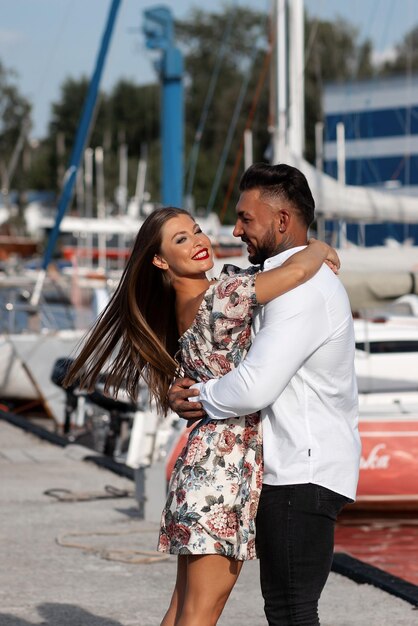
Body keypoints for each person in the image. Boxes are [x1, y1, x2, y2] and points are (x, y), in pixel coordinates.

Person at [63, 204, 340, 626]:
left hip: (198, 465)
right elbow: (297, 273)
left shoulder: (193, 301)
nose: (198, 242)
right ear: (159, 260)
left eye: (195, 231)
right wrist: (318, 246)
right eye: (180, 240)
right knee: (198, 615)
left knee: (181, 611)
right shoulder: (223, 298)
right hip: (223, 476)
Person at [169, 163, 362, 626]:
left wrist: (198, 397)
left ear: (281, 221)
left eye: (246, 219)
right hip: (286, 470)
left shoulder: (302, 289)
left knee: (291, 611)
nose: (235, 230)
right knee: (281, 610)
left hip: (303, 470)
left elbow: (256, 383)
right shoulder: (274, 280)